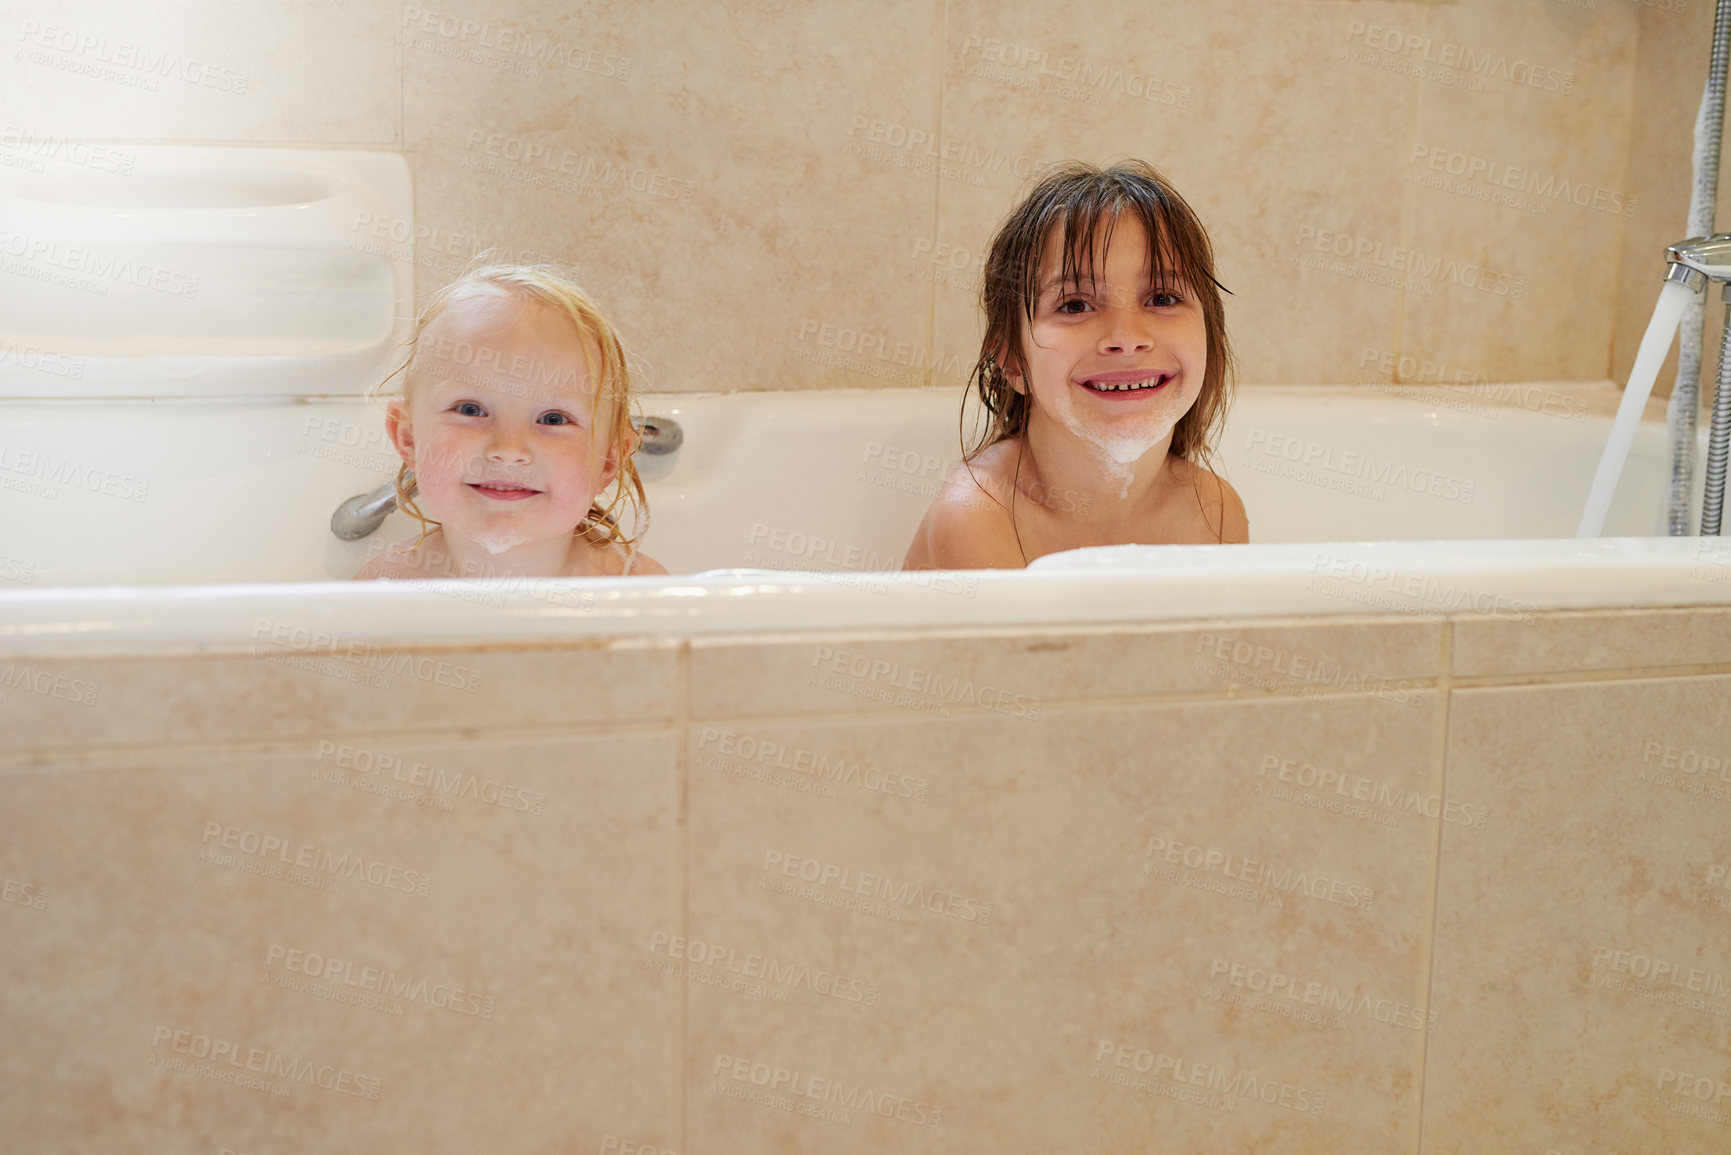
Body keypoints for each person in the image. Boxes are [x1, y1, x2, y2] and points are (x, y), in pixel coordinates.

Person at [904, 160, 1248, 570]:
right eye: (1075, 305)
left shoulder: (1215, 511)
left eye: (1162, 298)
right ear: (1012, 360)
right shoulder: (980, 516)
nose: (1126, 338)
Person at [354, 262, 666, 580]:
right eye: (470, 410)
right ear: (408, 439)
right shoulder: (381, 591)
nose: (509, 449)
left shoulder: (641, 593)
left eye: (553, 418)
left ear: (609, 461)